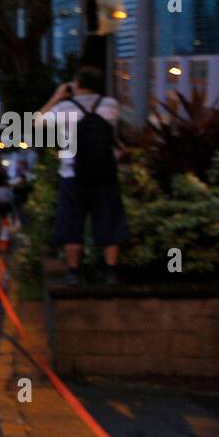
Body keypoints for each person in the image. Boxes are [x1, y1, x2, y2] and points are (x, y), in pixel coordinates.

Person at [39, 65, 127, 285]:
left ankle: (74, 272)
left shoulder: (64, 108)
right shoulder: (111, 105)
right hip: (105, 173)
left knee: (72, 223)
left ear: (77, 84)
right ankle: (111, 272)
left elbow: (37, 122)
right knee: (109, 220)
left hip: (72, 174)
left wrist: (57, 96)